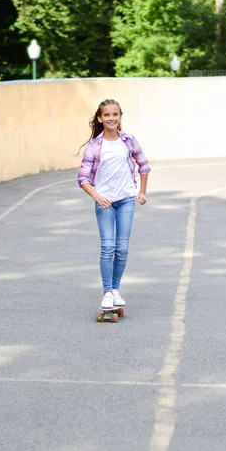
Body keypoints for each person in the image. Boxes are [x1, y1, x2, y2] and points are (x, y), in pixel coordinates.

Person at [77, 98, 151, 310]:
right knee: (108, 246)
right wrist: (97, 196)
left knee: (123, 248)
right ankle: (107, 292)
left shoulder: (128, 141)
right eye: (107, 115)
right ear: (100, 118)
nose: (111, 118)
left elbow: (144, 166)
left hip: (126, 199)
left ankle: (115, 289)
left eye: (115, 114)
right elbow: (82, 178)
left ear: (120, 117)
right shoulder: (94, 146)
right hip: (105, 202)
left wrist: (142, 191)